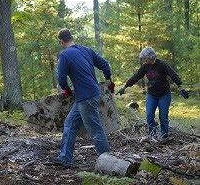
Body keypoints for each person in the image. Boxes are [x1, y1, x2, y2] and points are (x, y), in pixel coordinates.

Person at [49, 28, 113, 167]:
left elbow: (61, 79)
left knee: (95, 130)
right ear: (71, 37)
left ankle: (108, 161)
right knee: (70, 124)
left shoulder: (64, 55)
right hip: (90, 94)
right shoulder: (86, 50)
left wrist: (67, 90)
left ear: (61, 41)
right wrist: (109, 80)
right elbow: (104, 64)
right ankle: (65, 158)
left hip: (86, 97)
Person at [116, 47, 189, 138]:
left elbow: (173, 75)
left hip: (164, 95)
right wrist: (125, 87)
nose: (143, 60)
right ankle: (152, 136)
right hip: (151, 95)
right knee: (149, 116)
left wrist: (181, 87)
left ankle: (164, 137)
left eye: (144, 58)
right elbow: (136, 76)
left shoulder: (162, 64)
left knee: (163, 118)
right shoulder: (145, 66)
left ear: (150, 57)